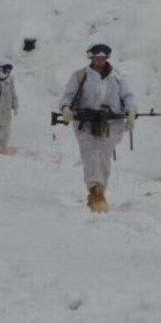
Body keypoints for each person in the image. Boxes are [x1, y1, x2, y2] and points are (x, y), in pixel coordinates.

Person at [59, 44, 137, 212]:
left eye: (103, 58)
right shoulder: (80, 76)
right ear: (91, 58)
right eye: (97, 58)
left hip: (109, 125)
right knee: (91, 155)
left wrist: (131, 112)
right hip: (85, 124)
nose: (100, 61)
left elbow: (128, 96)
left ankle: (99, 190)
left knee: (103, 158)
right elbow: (68, 96)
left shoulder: (117, 77)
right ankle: (96, 191)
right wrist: (65, 108)